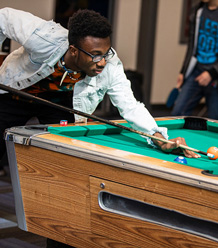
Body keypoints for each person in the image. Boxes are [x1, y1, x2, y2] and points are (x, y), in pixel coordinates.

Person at [0, 7, 199, 248]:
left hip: (61, 104)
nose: (102, 61)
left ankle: (61, 235)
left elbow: (130, 105)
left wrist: (157, 135)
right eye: (95, 55)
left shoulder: (110, 65)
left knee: (65, 171)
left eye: (106, 52)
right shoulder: (44, 38)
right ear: (73, 50)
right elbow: (4, 16)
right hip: (14, 93)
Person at [171, 0, 218, 121]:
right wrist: (183, 71)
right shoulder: (197, 10)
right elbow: (192, 45)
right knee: (177, 113)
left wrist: (212, 73)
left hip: (217, 78)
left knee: (216, 120)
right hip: (196, 72)